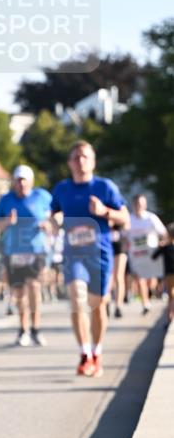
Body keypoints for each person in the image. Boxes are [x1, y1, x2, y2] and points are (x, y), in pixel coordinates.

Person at [50, 141, 130, 377]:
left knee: (98, 305)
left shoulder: (105, 187)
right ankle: (84, 354)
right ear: (69, 163)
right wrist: (55, 219)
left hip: (100, 253)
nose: (80, 161)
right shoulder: (62, 189)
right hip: (74, 253)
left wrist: (105, 211)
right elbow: (54, 212)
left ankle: (97, 351)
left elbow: (125, 218)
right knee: (77, 298)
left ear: (92, 161)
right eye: (75, 157)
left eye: (84, 157)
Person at [0, 164, 52, 347]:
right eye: (18, 180)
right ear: (13, 182)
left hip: (35, 250)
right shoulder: (5, 200)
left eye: (24, 180)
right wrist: (6, 222)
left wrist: (48, 225)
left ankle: (36, 328)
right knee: (19, 292)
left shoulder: (41, 196)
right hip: (13, 251)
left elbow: (55, 217)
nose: (21, 184)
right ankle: (23, 329)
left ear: (31, 181)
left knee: (34, 287)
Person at [126, 194, 167, 314]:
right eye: (137, 204)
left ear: (145, 205)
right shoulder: (129, 219)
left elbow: (163, 233)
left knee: (151, 281)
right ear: (133, 205)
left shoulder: (151, 218)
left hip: (151, 255)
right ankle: (145, 303)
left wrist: (162, 244)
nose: (139, 206)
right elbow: (123, 236)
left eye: (141, 204)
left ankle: (150, 291)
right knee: (139, 279)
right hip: (136, 255)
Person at [152, 223, 174, 324]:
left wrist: (160, 245)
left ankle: (169, 318)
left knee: (171, 296)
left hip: (169, 274)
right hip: (169, 274)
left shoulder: (165, 247)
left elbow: (154, 257)